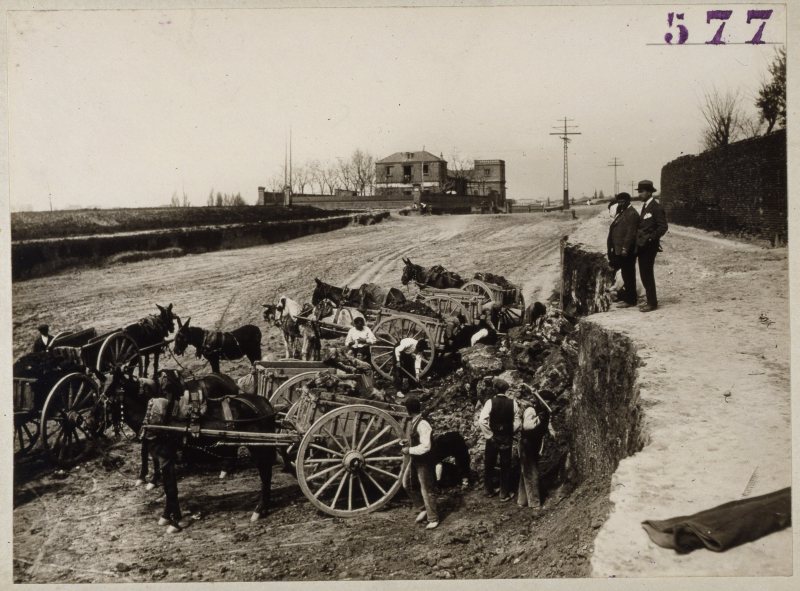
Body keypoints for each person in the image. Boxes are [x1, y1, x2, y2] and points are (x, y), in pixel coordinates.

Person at [478, 377, 521, 501]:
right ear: (506, 390)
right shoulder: (513, 403)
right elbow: (518, 421)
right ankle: (504, 494)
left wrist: (489, 435)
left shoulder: (490, 402)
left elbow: (482, 420)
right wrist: (510, 431)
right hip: (506, 438)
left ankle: (488, 490)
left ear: (495, 389)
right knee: (505, 464)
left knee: (489, 463)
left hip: (493, 437)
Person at [401, 396, 439, 530]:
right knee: (407, 484)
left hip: (425, 461)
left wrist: (409, 449)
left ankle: (433, 518)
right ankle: (422, 508)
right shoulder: (414, 422)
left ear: (408, 411)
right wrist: (408, 444)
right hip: (416, 459)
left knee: (427, 489)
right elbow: (417, 440)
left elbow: (426, 446)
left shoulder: (423, 424)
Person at [635, 180, 669, 312]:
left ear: (649, 192)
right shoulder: (645, 206)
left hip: (649, 246)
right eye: (639, 192)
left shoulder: (656, 207)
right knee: (644, 273)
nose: (640, 194)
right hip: (642, 245)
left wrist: (650, 238)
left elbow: (663, 227)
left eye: (642, 191)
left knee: (647, 273)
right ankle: (650, 300)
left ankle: (652, 303)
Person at [607, 192, 640, 308]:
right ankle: (628, 298)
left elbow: (631, 233)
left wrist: (625, 248)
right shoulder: (623, 212)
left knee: (629, 274)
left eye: (622, 201)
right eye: (619, 201)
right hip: (620, 250)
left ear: (628, 201)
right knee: (626, 274)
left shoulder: (631, 213)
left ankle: (631, 300)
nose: (620, 203)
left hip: (627, 251)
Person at [517, 393, 550, 509]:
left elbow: (544, 427)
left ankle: (522, 500)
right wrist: (539, 419)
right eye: (546, 401)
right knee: (532, 473)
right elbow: (527, 426)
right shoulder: (531, 410)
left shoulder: (544, 413)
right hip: (527, 444)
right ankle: (534, 503)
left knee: (525, 472)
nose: (548, 404)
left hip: (533, 444)